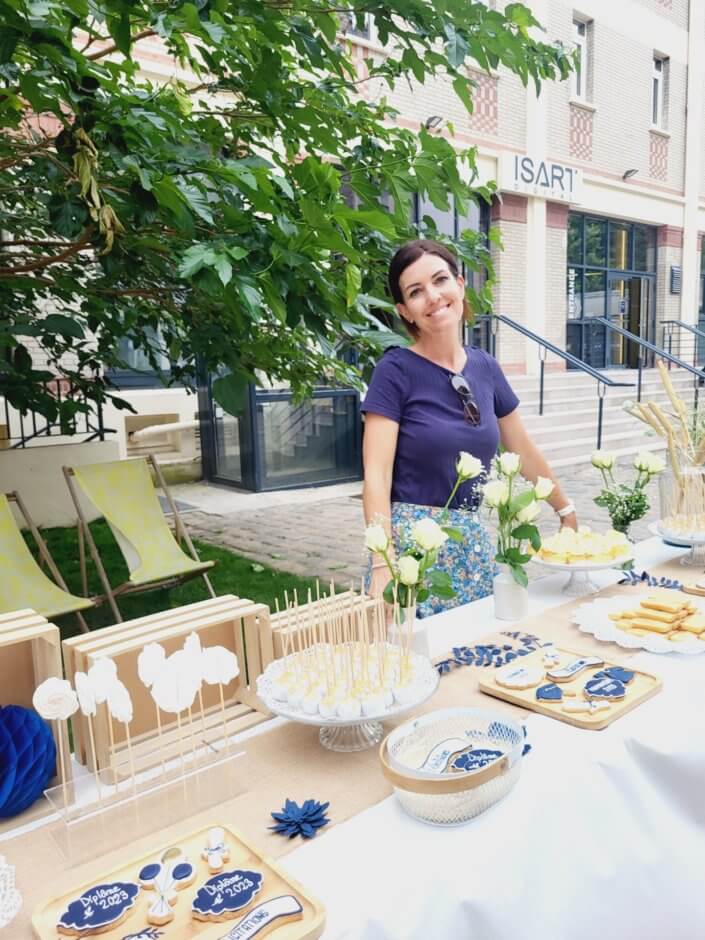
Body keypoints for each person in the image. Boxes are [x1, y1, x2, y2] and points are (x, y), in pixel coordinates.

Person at [362, 238, 578, 616]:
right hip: (411, 554)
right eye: (415, 292)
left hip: (471, 549)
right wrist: (383, 563)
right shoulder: (393, 372)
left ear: (460, 285)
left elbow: (521, 449)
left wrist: (565, 509)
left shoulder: (486, 368)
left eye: (440, 280)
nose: (432, 296)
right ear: (405, 311)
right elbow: (376, 476)